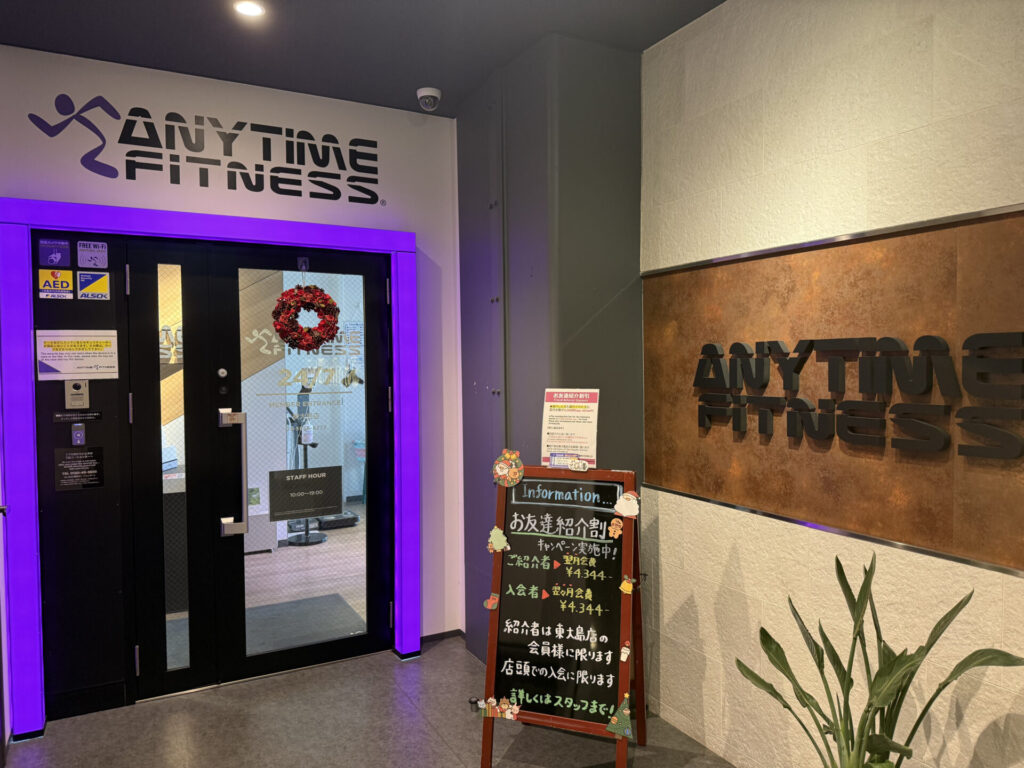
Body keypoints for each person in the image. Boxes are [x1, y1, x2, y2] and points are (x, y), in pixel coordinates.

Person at [29, 94, 121, 178]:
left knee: (86, 161)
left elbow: (51, 131)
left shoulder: (77, 116)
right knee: (86, 161)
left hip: (97, 143)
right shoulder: (77, 116)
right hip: (98, 143)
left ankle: (112, 172)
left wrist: (115, 115)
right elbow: (51, 131)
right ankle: (112, 172)